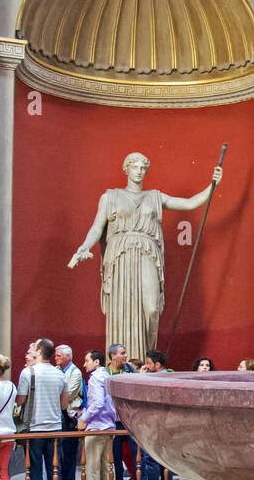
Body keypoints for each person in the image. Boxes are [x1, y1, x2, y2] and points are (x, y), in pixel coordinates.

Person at [67, 150, 223, 362]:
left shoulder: (155, 197)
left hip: (147, 253)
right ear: (126, 169)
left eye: (143, 168)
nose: (139, 171)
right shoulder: (110, 197)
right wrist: (85, 247)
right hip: (120, 256)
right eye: (135, 166)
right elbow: (97, 227)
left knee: (151, 307)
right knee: (121, 308)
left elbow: (188, 203)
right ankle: (122, 360)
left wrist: (212, 186)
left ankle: (145, 360)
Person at [16, 338, 68, 480]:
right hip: (55, 427)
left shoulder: (28, 373)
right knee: (54, 468)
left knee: (35, 469)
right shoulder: (60, 374)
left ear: (38, 351)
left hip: (35, 427)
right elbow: (64, 405)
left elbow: (21, 399)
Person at [78, 350, 116, 480]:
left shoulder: (95, 378)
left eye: (87, 361)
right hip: (108, 426)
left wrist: (84, 419)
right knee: (105, 467)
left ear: (96, 362)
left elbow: (98, 403)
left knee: (92, 467)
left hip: (96, 426)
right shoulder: (107, 376)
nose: (84, 364)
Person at [140, 349, 174, 480]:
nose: (147, 366)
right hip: (167, 422)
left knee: (151, 458)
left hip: (156, 422)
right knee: (167, 459)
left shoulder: (157, 379)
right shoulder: (168, 377)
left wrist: (141, 377)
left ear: (157, 364)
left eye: (148, 363)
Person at [106, 343, 137, 480]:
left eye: (125, 353)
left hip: (130, 420)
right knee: (115, 456)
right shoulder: (105, 373)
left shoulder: (130, 370)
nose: (125, 356)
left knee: (134, 453)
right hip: (113, 421)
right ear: (112, 356)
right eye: (122, 353)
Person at [55, 344, 85, 480]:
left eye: (59, 355)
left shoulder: (75, 372)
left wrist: (57, 394)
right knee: (60, 452)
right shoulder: (56, 370)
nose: (56, 358)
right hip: (58, 414)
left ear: (68, 357)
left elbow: (71, 393)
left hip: (70, 417)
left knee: (69, 452)